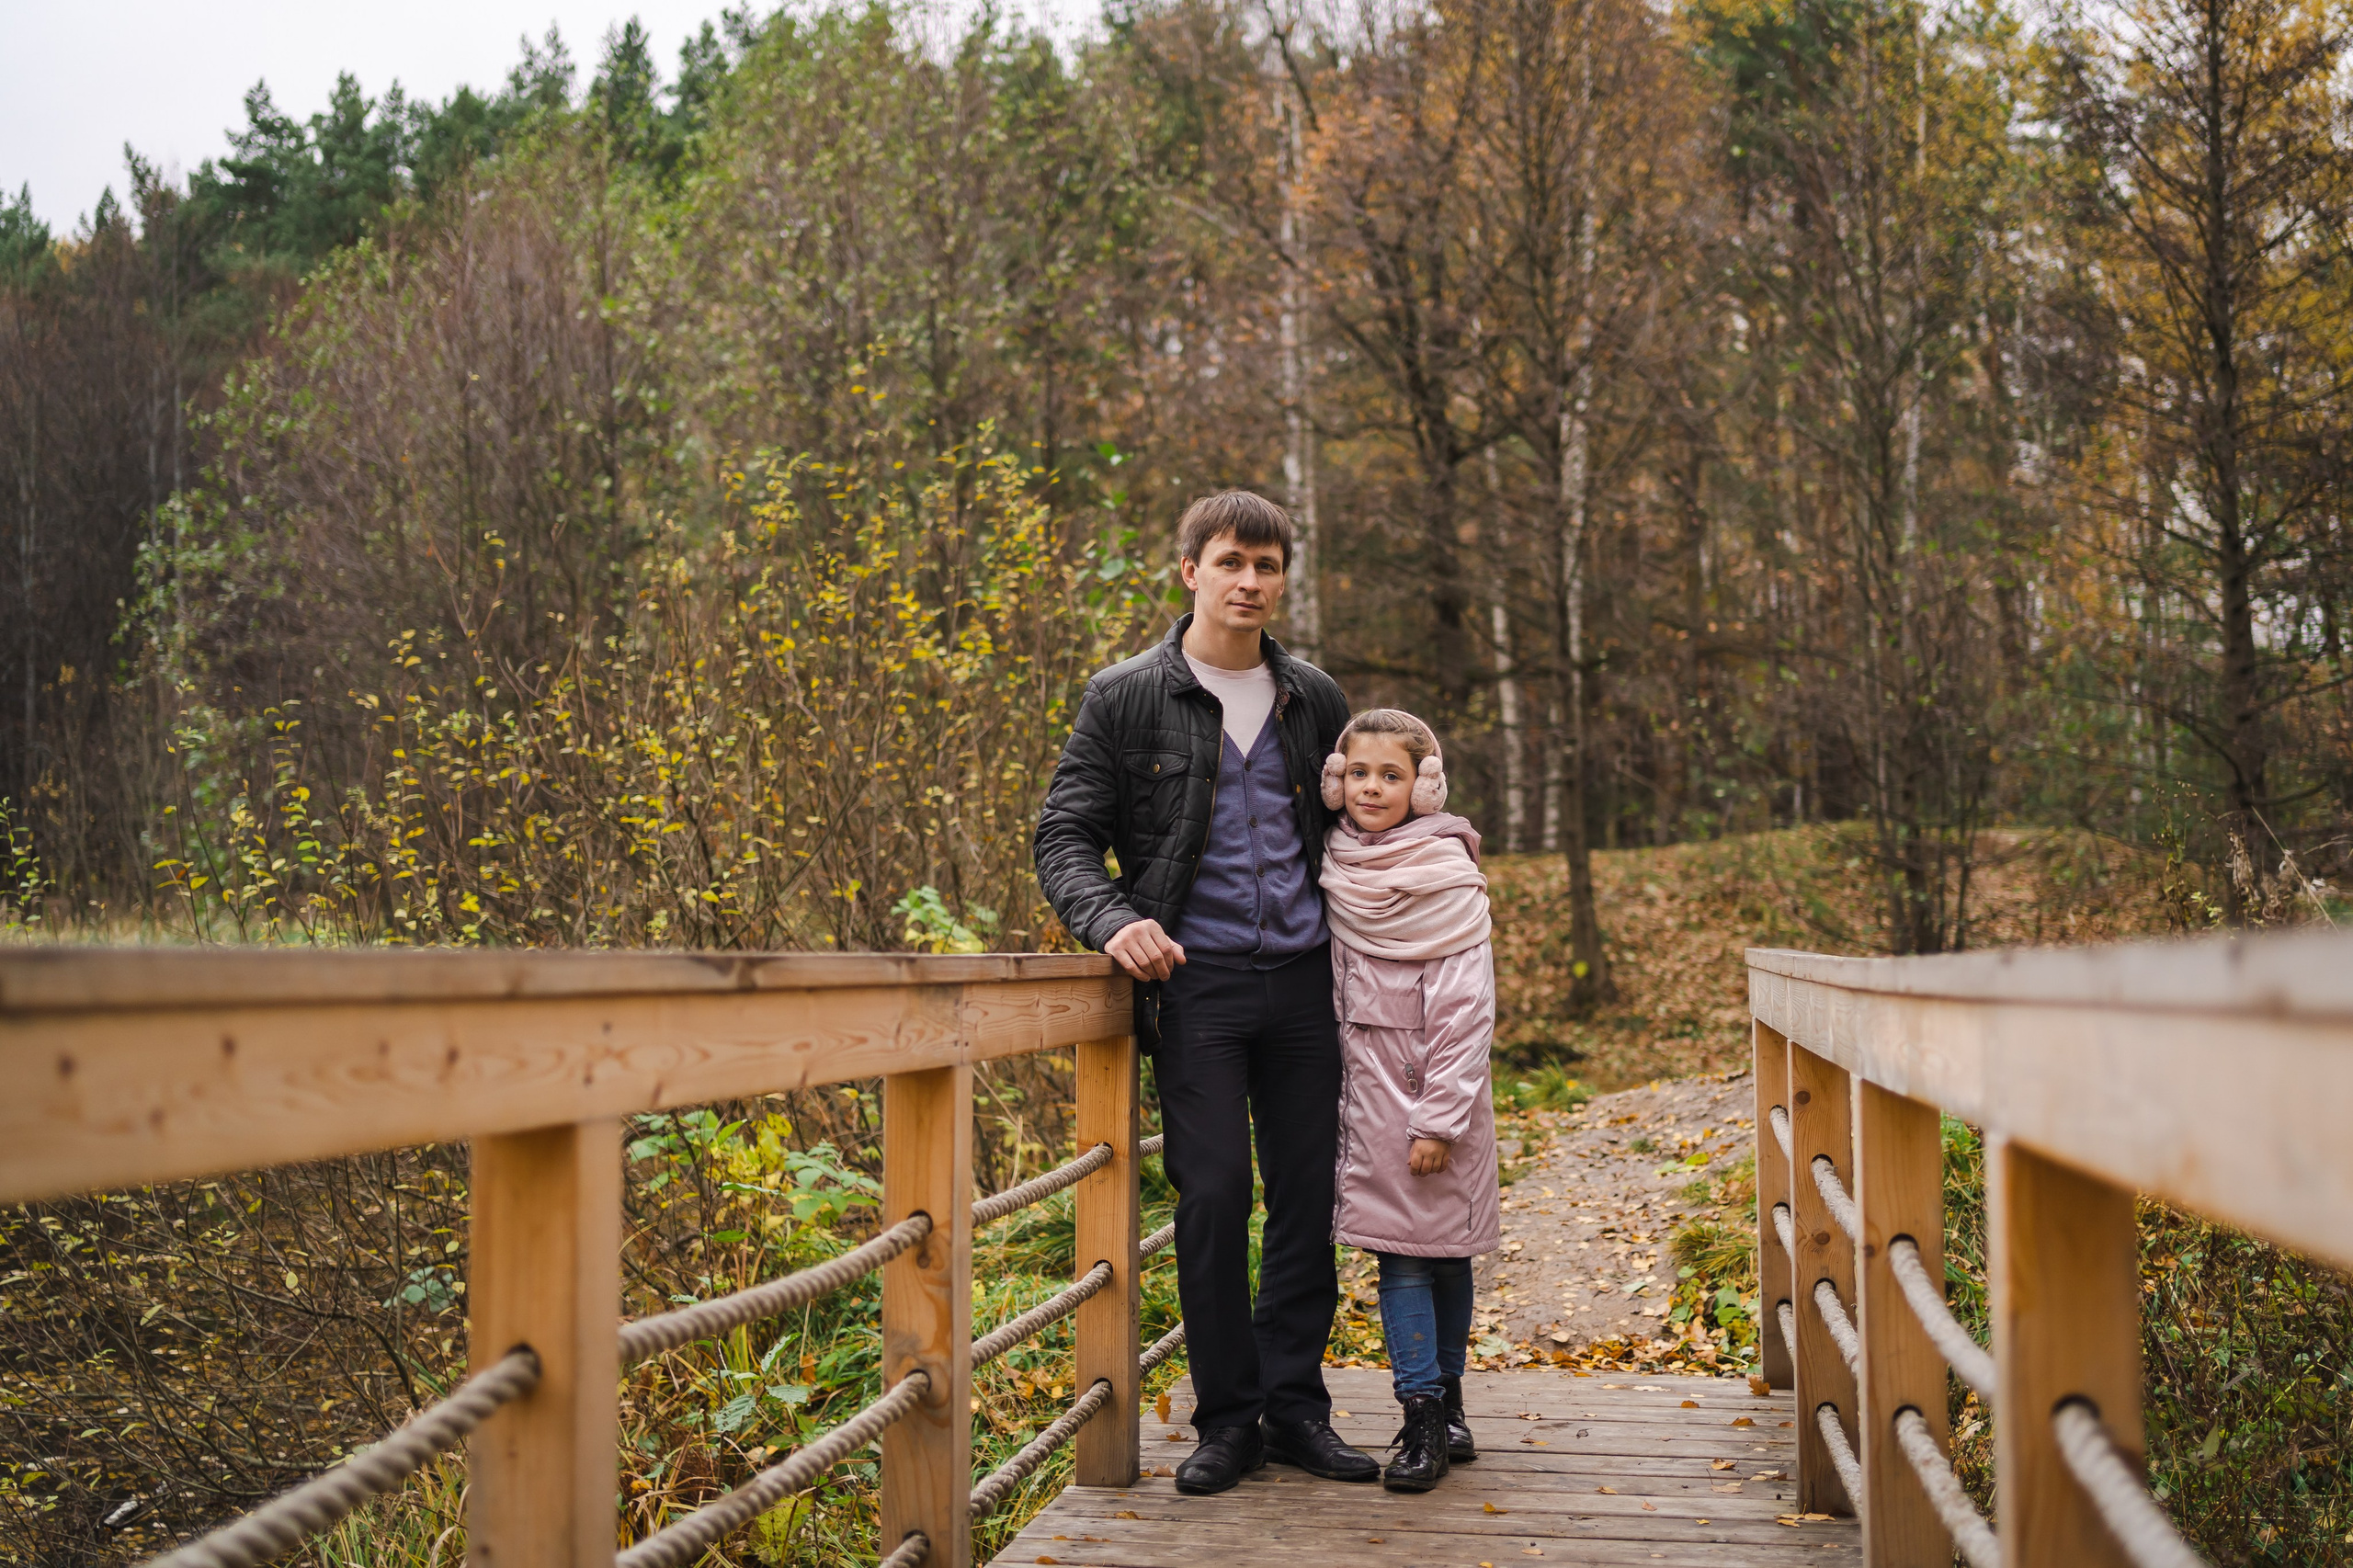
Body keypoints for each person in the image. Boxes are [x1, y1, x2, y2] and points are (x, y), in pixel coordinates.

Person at [1034, 489, 1378, 1495]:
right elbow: (1063, 836)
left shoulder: (1314, 694)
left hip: (1310, 987)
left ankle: (1296, 1408)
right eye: (1230, 561)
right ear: (1189, 570)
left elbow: (1369, 823)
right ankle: (1227, 1419)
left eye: (1267, 565)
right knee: (1218, 1189)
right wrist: (1111, 921)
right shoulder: (1128, 693)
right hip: (1198, 986)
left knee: (1307, 1194)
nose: (1250, 582)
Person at [1317, 708, 1501, 1492]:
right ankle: (1425, 1409)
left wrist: (1437, 1120)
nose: (1370, 787)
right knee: (1402, 1256)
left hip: (1437, 1099)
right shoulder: (1336, 864)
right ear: (1336, 780)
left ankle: (1441, 1409)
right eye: (1358, 772)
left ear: (1424, 786)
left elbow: (1465, 1010)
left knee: (1444, 1255)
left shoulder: (1446, 877)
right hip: (1365, 1096)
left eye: (1391, 774)